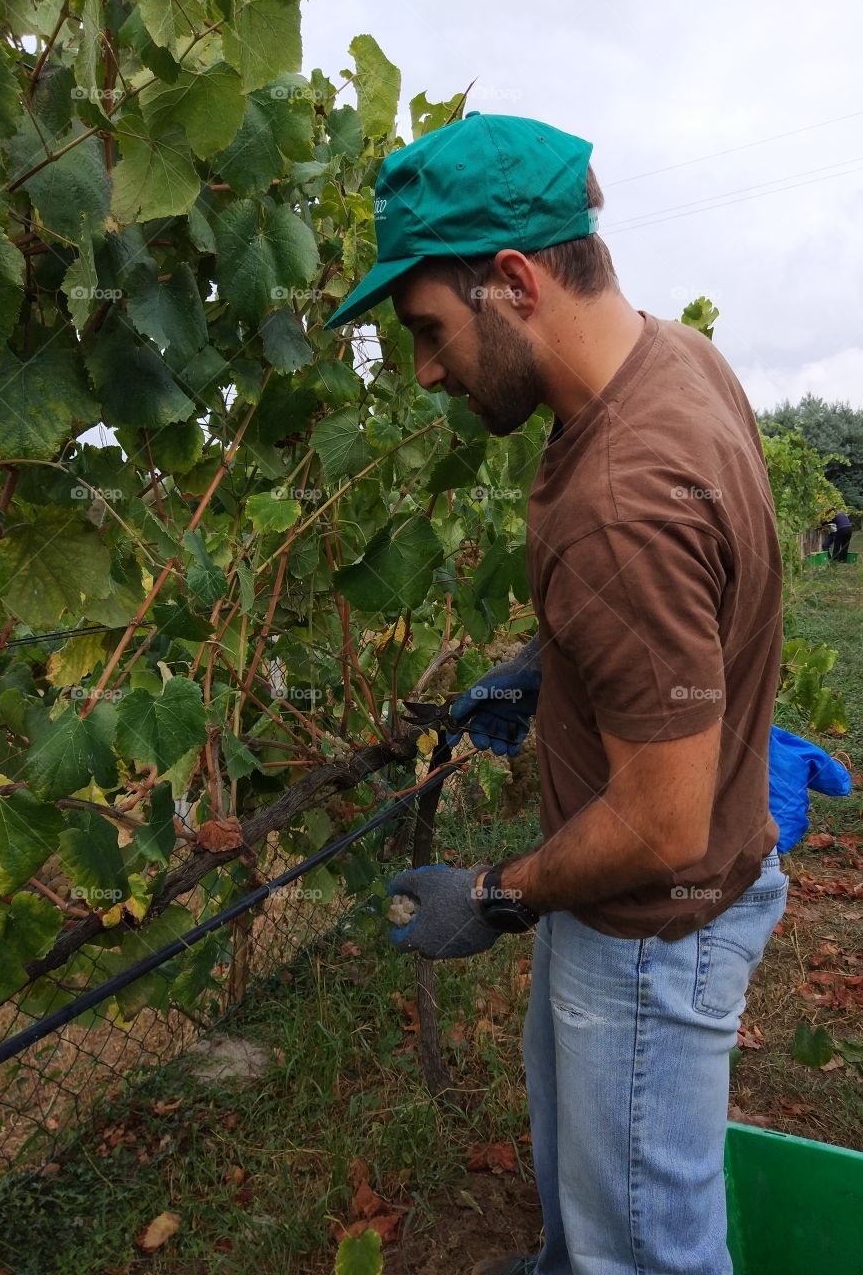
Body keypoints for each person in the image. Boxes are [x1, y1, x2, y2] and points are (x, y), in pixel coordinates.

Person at [327, 112, 787, 1275]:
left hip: (651, 927)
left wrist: (491, 892)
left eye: (429, 330)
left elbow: (660, 820)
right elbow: (697, 587)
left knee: (643, 1254)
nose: (425, 369)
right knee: (590, 1220)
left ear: (515, 283)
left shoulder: (622, 499)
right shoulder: (675, 360)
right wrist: (552, 663)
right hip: (674, 902)